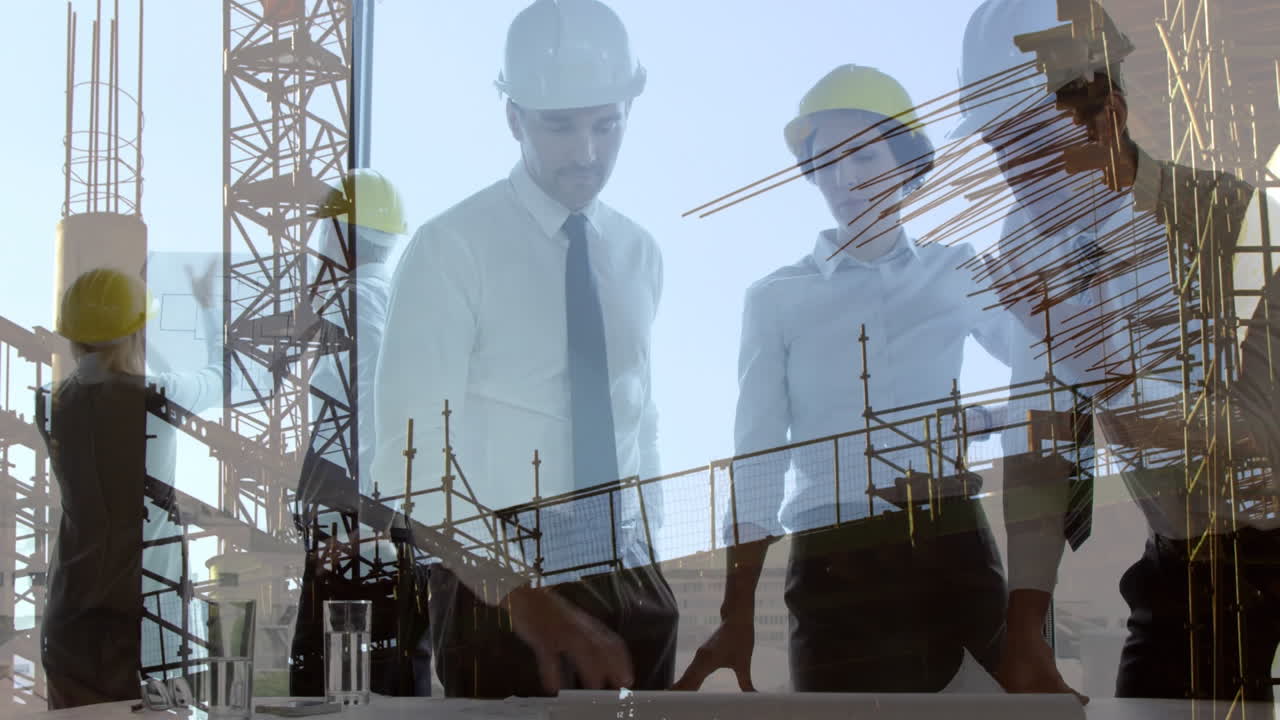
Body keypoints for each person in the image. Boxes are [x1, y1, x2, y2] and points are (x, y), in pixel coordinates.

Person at [953, 0, 1280, 702]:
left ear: (1109, 117)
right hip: (1184, 568)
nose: (1016, 179)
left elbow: (1258, 456)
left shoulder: (1235, 227)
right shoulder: (1031, 240)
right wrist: (1025, 630)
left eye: (1036, 147)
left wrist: (1108, 370)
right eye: (999, 150)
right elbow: (1044, 439)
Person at [673, 65, 1012, 693]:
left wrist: (988, 420)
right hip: (835, 568)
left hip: (954, 552)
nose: (844, 177)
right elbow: (758, 456)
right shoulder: (776, 299)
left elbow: (1046, 365)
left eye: (862, 153)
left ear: (908, 161)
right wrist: (737, 608)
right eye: (825, 162)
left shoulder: (959, 271)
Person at [371, 0, 676, 698]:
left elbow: (639, 415)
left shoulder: (638, 255)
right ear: (513, 118)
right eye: (559, 126)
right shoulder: (452, 250)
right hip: (499, 594)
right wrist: (521, 594)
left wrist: (651, 563)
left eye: (607, 124)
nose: (587, 152)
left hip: (628, 579)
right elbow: (407, 459)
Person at [38, 265, 221, 709]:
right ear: (137, 331)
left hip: (70, 628)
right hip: (153, 635)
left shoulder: (47, 402)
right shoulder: (162, 394)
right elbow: (222, 373)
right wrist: (207, 306)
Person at [290, 169, 434, 697]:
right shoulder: (396, 305)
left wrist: (364, 520)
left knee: (332, 678)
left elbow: (374, 411)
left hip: (358, 527)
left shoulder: (356, 304)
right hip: (380, 524)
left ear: (338, 235)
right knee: (388, 668)